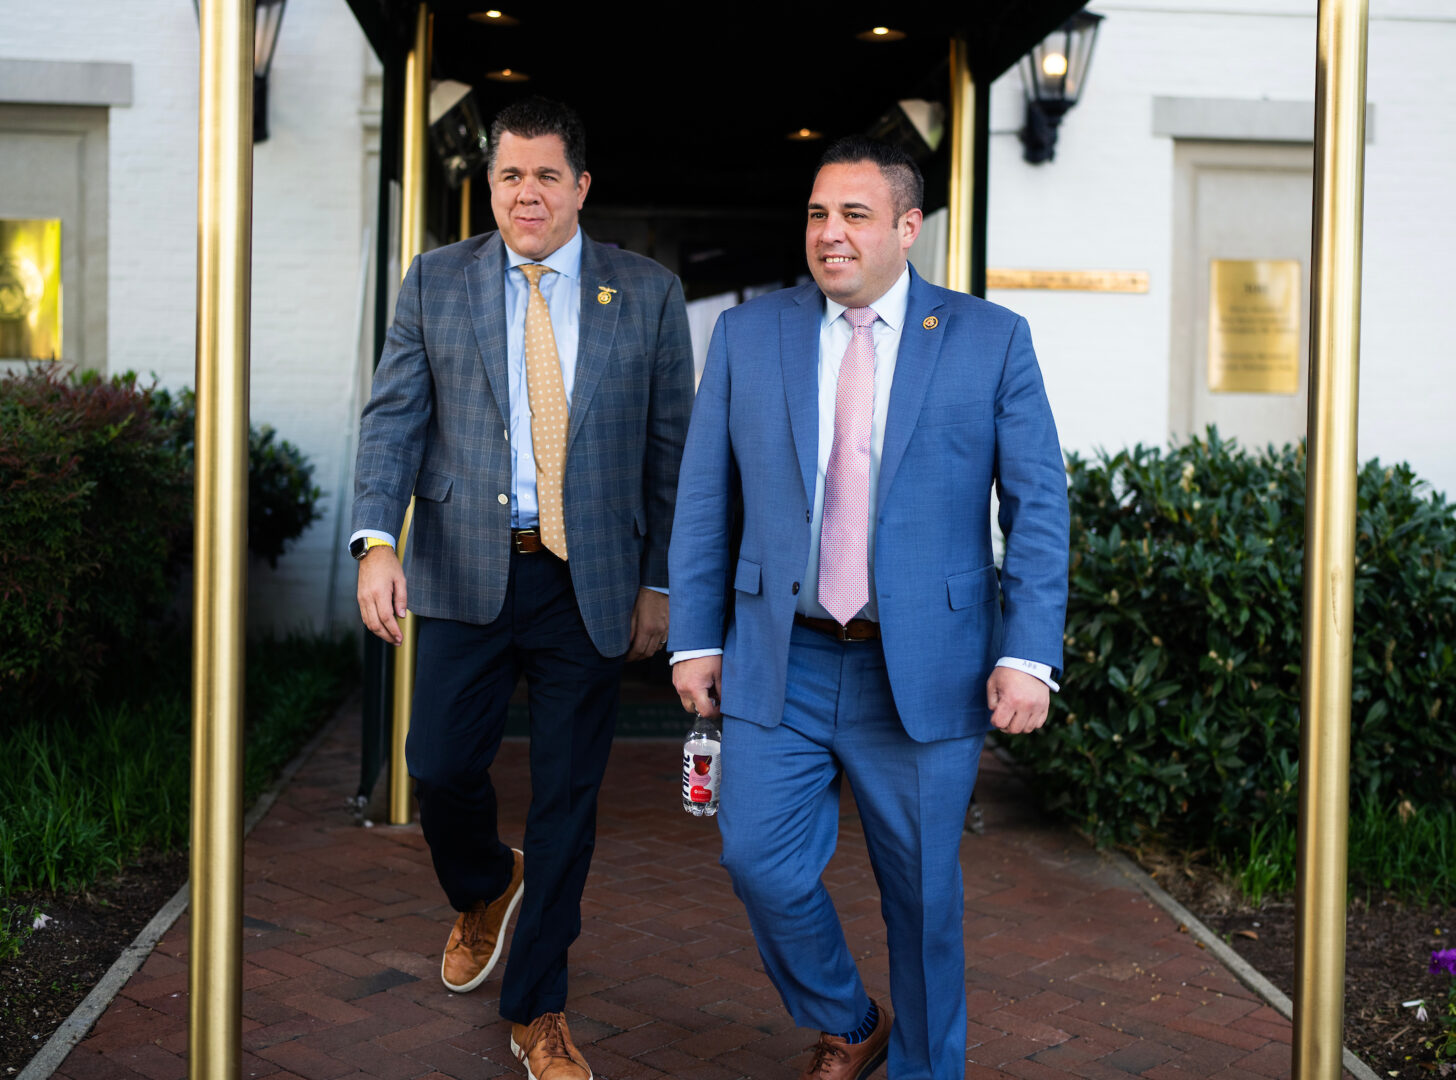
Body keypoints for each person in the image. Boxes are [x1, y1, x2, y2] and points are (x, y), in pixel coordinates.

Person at [668, 136, 1069, 1080]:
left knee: (923, 900)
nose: (829, 233)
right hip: (783, 655)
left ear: (906, 226)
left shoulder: (989, 338)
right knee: (756, 860)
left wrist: (1029, 651)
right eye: (816, 213)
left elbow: (1038, 503)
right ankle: (849, 1017)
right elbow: (701, 499)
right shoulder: (746, 336)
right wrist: (694, 636)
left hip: (928, 665)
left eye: (853, 214)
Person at [350, 96, 692, 1080]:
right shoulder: (435, 282)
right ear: (488, 184)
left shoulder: (650, 294)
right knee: (439, 764)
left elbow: (673, 453)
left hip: (588, 583)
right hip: (463, 568)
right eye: (510, 175)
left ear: (581, 187)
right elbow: (393, 420)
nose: (527, 193)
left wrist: (662, 584)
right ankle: (485, 882)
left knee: (567, 802)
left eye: (547, 175)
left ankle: (537, 1007)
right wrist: (378, 541)